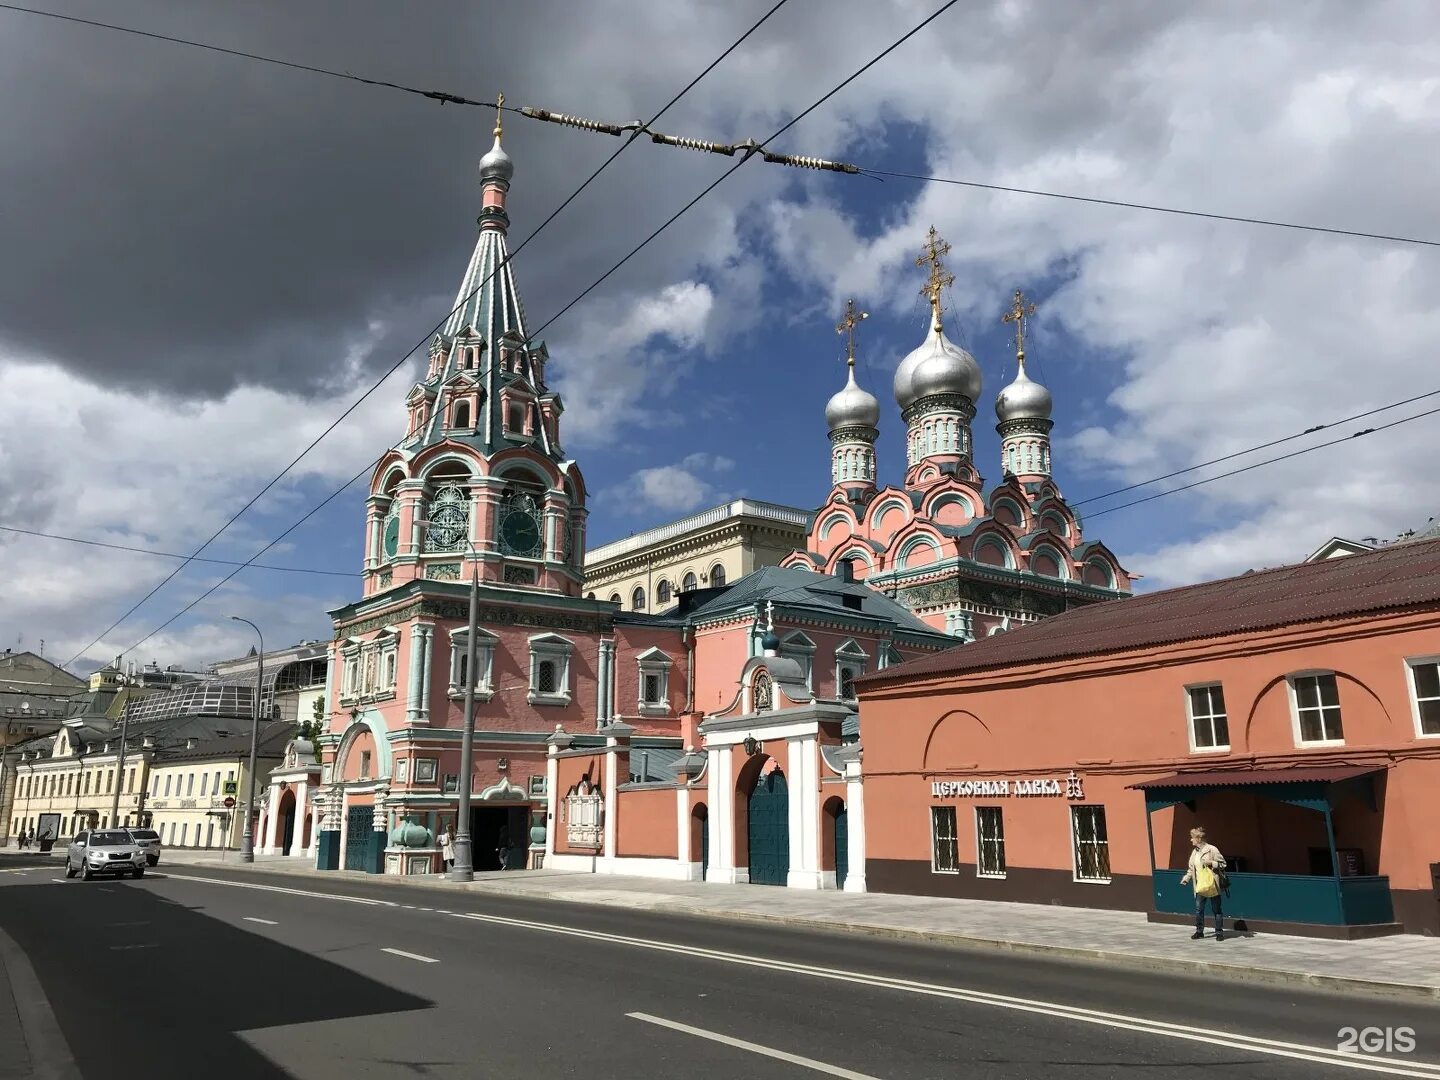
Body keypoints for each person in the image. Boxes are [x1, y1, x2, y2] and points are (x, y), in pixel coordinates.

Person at [1179, 826, 1227, 940]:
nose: (1191, 840)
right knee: (1199, 909)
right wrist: (1186, 878)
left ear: (1198, 839)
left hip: (1212, 885)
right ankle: (1199, 931)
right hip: (1200, 886)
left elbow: (1223, 864)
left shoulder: (1212, 849)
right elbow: (1191, 869)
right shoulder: (1194, 852)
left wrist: (1212, 862)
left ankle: (1219, 933)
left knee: (1217, 909)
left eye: (1192, 838)